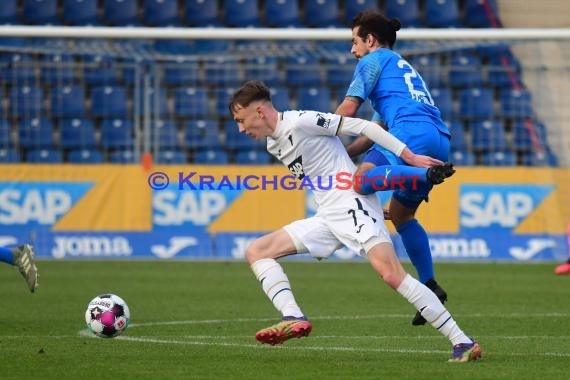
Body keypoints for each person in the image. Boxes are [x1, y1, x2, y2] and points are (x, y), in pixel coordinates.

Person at [228, 80, 480, 362]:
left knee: (392, 274)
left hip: (351, 205)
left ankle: (463, 342)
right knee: (258, 252)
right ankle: (293, 316)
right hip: (328, 215)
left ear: (259, 112)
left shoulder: (301, 121)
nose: (240, 128)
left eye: (241, 120)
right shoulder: (274, 144)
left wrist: (409, 157)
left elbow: (367, 128)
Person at [335, 10, 452, 326]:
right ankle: (429, 284)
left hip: (410, 134)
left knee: (360, 181)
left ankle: (421, 172)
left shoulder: (371, 62)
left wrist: (318, 136)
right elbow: (372, 134)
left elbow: (347, 110)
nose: (353, 49)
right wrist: (341, 153)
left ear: (370, 40)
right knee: (401, 216)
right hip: (438, 139)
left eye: (355, 41)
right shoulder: (400, 69)